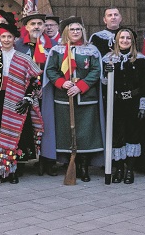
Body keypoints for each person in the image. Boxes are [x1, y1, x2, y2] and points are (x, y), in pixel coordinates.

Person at [43, 17, 104, 182]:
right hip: (64, 98)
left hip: (86, 99)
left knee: (85, 134)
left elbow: (95, 71)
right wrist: (63, 83)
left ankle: (84, 167)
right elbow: (51, 70)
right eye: (72, 29)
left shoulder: (91, 50)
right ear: (66, 32)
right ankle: (71, 164)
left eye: (78, 29)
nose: (75, 32)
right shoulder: (57, 50)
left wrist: (81, 86)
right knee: (67, 133)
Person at [0, 22, 43, 183]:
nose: (6, 40)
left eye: (9, 37)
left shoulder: (23, 58)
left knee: (17, 133)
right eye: (3, 37)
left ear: (15, 38)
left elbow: (35, 79)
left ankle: (14, 169)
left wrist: (27, 98)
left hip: (18, 99)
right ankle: (2, 167)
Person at [101, 27, 145, 184]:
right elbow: (103, 85)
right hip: (115, 104)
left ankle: (130, 169)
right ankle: (119, 169)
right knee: (117, 137)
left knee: (133, 136)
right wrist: (106, 73)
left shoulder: (141, 60)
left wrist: (144, 106)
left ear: (133, 41)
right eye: (122, 38)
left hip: (134, 103)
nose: (124, 41)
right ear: (117, 40)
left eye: (128, 38)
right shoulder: (108, 59)